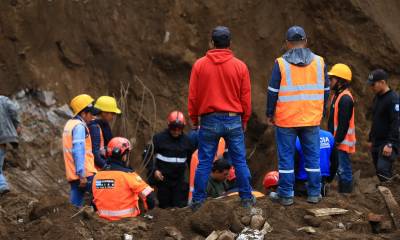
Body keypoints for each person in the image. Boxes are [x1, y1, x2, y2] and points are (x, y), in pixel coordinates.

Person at [188, 26, 254, 210]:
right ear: (230, 43)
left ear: (212, 43)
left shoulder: (200, 65)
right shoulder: (240, 66)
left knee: (204, 162)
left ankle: (198, 201)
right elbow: (245, 97)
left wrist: (194, 119)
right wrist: (245, 120)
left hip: (209, 119)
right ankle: (246, 198)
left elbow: (193, 96)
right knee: (239, 161)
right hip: (233, 119)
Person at [266, 26, 330, 205]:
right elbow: (326, 90)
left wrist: (270, 113)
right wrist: (322, 110)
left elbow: (273, 91)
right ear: (306, 41)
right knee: (313, 157)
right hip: (311, 118)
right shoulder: (320, 62)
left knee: (286, 158)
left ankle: (286, 195)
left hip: (286, 119)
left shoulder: (281, 63)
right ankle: (314, 193)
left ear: (287, 44)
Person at [92, 137, 154, 221]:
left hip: (102, 221)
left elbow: (94, 202)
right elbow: (150, 198)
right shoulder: (129, 175)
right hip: (127, 221)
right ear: (124, 156)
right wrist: (147, 209)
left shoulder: (97, 176)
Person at [148, 111, 195, 208]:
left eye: (179, 129)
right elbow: (147, 156)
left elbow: (192, 162)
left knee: (178, 207)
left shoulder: (187, 141)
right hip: (163, 181)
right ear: (169, 125)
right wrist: (154, 170)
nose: (176, 131)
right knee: (164, 207)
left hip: (179, 181)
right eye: (174, 129)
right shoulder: (159, 139)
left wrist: (193, 180)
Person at [62, 94, 98, 207]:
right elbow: (78, 150)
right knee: (100, 198)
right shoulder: (79, 127)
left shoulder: (69, 124)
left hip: (73, 174)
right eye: (91, 113)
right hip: (85, 174)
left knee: (74, 207)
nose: (93, 117)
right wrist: (81, 174)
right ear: (83, 113)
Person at [327, 63, 356, 193]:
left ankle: (347, 196)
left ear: (340, 81)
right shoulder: (337, 96)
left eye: (332, 79)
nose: (329, 81)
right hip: (337, 141)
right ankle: (344, 195)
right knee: (340, 170)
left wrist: (336, 141)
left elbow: (343, 124)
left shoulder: (345, 99)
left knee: (344, 170)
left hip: (341, 142)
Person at [367, 69, 399, 182]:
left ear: (382, 82)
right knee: (379, 171)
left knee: (383, 169)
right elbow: (375, 120)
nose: (372, 87)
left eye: (373, 84)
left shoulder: (393, 99)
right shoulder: (377, 98)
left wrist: (390, 144)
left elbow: (396, 123)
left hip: (387, 142)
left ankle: (392, 194)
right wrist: (371, 138)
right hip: (377, 141)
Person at [295, 129, 337, 196]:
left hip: (301, 185)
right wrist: (329, 180)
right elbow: (335, 162)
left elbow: (293, 165)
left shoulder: (297, 139)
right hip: (321, 183)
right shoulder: (329, 136)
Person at [88, 96, 121, 169]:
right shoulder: (94, 127)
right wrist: (106, 167)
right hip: (97, 168)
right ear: (104, 113)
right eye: (112, 113)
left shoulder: (104, 124)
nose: (113, 116)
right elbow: (95, 152)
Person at [0, 95, 21, 195]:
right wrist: (16, 124)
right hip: (3, 138)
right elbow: (14, 110)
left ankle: (2, 186)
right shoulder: (3, 100)